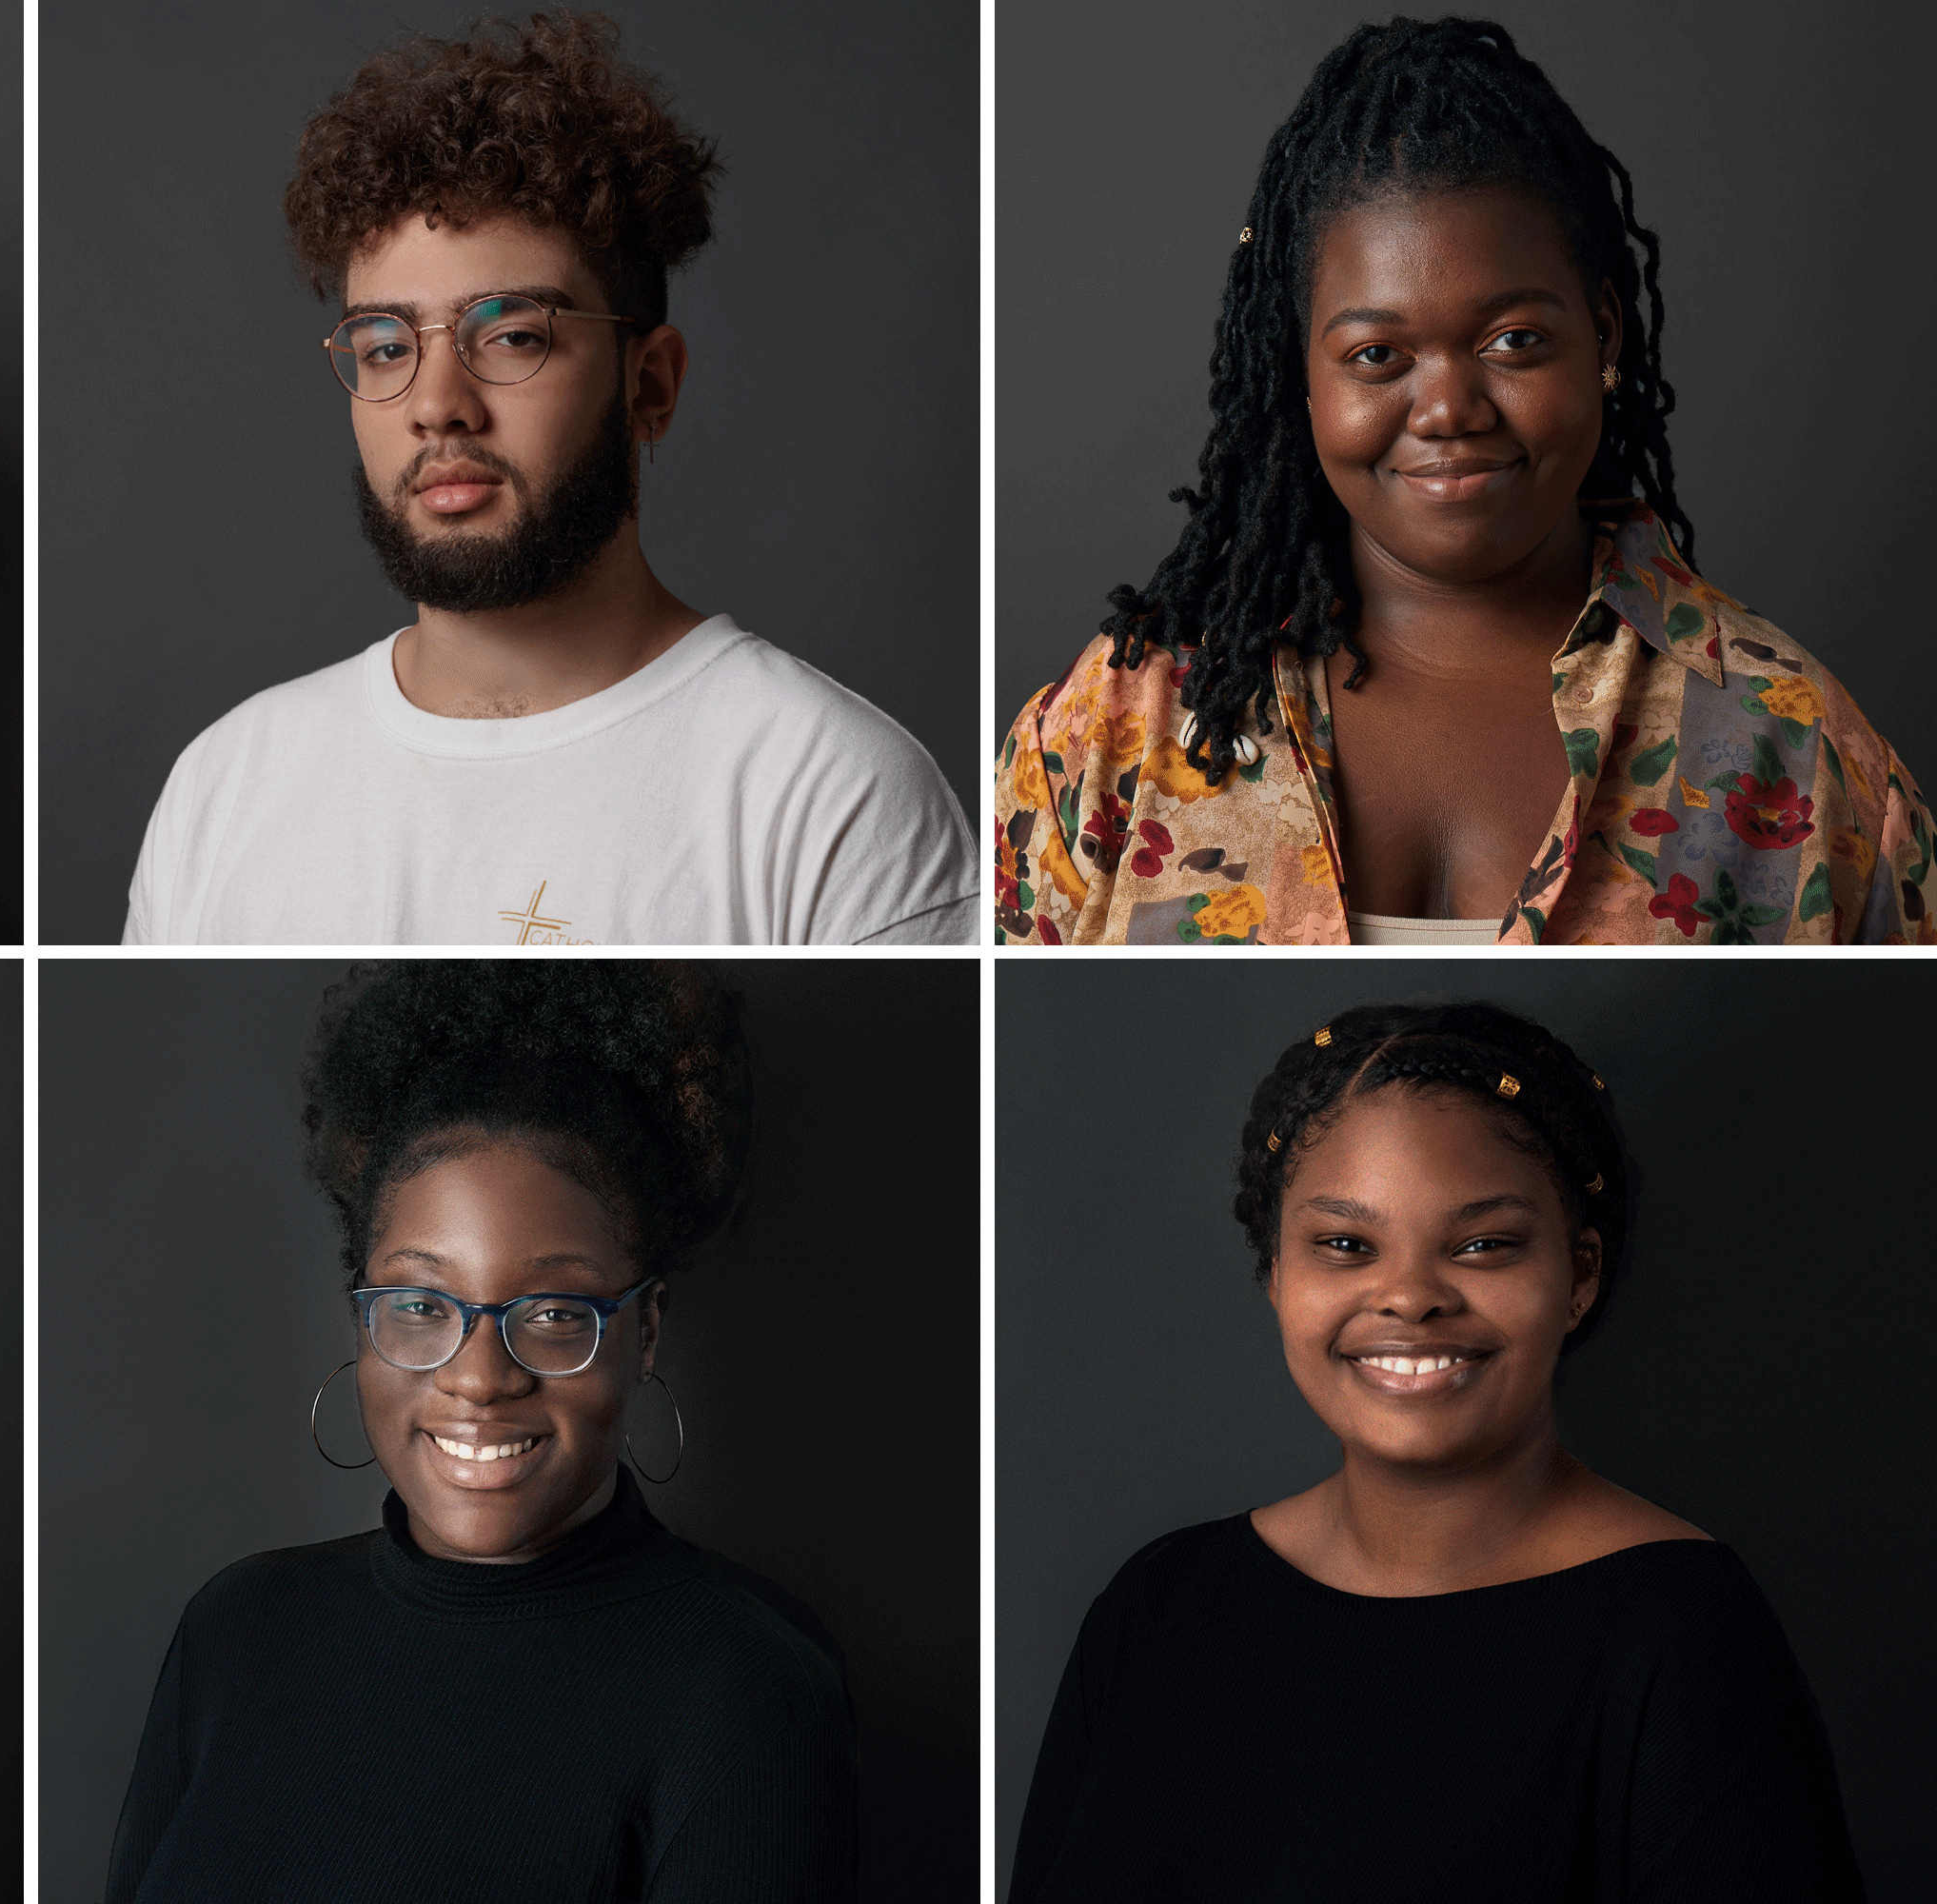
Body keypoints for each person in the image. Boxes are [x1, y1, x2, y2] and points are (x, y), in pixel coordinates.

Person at [992, 16, 1930, 945]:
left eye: (1513, 339)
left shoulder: (1796, 741)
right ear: (1300, 376)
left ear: (1602, 335)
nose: (1448, 408)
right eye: (1377, 353)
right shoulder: (1119, 725)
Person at [121, 11, 976, 945]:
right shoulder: (226, 785)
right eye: (384, 346)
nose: (436, 403)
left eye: (512, 335)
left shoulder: (833, 796)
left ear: (649, 383)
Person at [1008, 1002, 1863, 1900]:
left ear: (1580, 1276)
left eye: (1484, 1244)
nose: (1410, 1297)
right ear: (1273, 1274)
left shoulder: (1682, 1636)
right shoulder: (1156, 1607)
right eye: (1345, 1244)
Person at [107, 962, 858, 1900]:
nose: (477, 1375)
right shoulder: (237, 1628)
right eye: (422, 1301)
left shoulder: (743, 1688)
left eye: (550, 1311)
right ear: (361, 1317)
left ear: (646, 1328)